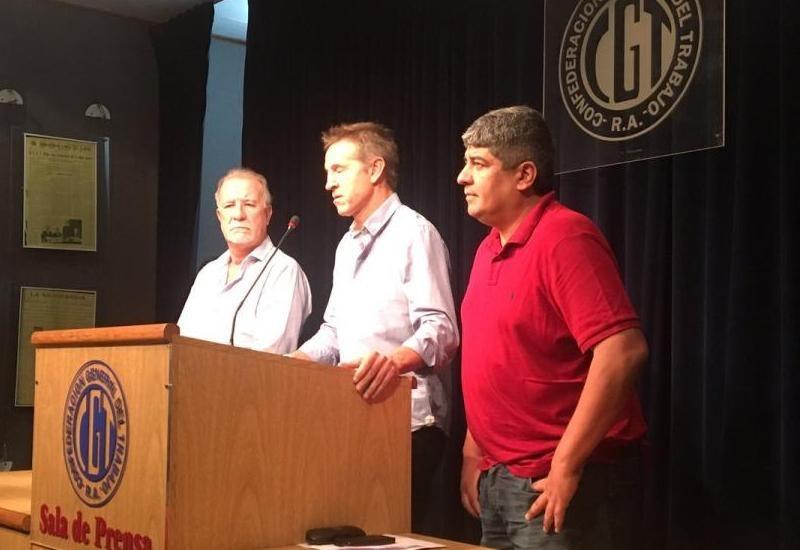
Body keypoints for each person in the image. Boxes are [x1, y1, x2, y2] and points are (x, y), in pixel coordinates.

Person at [457, 106, 649, 549]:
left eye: (478, 164)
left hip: (555, 481)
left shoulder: (566, 237)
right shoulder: (488, 249)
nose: (462, 177)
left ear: (524, 175)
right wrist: (473, 452)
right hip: (499, 476)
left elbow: (623, 351)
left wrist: (566, 464)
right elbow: (495, 361)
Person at [291, 122, 459, 533]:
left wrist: (392, 362)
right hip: (354, 417)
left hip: (408, 424)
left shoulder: (414, 233)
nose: (328, 184)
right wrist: (292, 362)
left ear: (375, 168)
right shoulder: (346, 245)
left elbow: (440, 329)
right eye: (327, 172)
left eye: (339, 169)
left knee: (389, 535)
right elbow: (334, 330)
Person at [179, 168, 311, 353]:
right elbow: (181, 343)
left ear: (268, 214)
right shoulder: (207, 275)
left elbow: (271, 356)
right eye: (229, 205)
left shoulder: (284, 271)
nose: (238, 215)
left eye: (249, 204)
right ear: (220, 217)